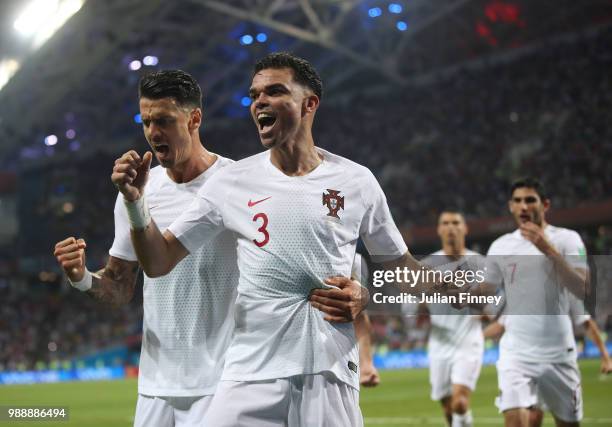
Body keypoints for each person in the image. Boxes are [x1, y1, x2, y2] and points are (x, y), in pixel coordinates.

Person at [111, 52, 438, 426]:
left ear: (309, 103)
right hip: (249, 373)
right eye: (254, 95)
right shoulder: (231, 183)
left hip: (327, 370)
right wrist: (136, 203)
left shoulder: (356, 181)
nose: (259, 102)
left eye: (274, 91)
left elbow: (400, 267)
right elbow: (157, 261)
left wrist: (382, 294)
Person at [54, 69, 365, 427]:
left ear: (194, 119)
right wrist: (80, 278)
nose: (153, 133)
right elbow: (119, 287)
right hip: (156, 384)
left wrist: (359, 290)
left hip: (225, 382)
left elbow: (302, 263)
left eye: (165, 121)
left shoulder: (241, 184)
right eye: (147, 122)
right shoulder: (137, 192)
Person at [486, 178, 589, 427]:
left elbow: (583, 289)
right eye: (518, 201)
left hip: (558, 353)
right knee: (516, 422)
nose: (524, 206)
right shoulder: (501, 246)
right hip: (516, 353)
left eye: (530, 200)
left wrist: (547, 248)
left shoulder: (568, 239)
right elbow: (484, 291)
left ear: (545, 205)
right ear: (511, 206)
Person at [484, 298, 612, 427]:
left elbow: (587, 322)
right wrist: (477, 336)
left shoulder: (567, 288)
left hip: (558, 361)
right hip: (521, 361)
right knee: (532, 417)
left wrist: (605, 357)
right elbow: (502, 325)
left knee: (567, 422)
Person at [417, 210, 485, 427]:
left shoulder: (481, 264)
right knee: (448, 408)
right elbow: (412, 306)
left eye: (456, 223)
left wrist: (465, 296)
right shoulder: (427, 265)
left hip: (468, 341)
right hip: (439, 344)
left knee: (460, 403)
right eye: (445, 223)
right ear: (439, 230)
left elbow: (493, 306)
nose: (450, 227)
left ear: (465, 228)